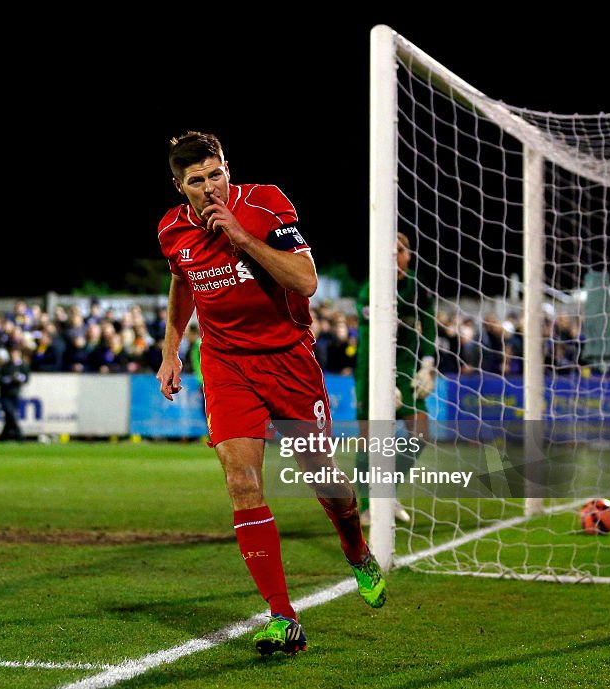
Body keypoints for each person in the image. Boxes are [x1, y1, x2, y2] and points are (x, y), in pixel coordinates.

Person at [156, 131, 385, 658]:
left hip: (287, 359)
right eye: (197, 180)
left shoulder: (264, 204)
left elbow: (306, 282)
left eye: (216, 174)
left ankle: (355, 547)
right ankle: (283, 616)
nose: (210, 186)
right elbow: (182, 283)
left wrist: (241, 238)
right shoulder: (171, 228)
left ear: (227, 169)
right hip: (224, 363)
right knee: (241, 481)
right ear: (179, 186)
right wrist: (171, 351)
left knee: (324, 481)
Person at [354, 232, 437, 525]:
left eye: (399, 251)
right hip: (371, 370)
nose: (395, 257)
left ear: (408, 255)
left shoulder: (417, 286)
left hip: (405, 369)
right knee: (370, 438)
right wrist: (382, 381)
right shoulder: (371, 290)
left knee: (422, 431)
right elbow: (370, 341)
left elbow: (428, 325)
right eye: (389, 252)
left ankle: (386, 491)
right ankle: (366, 505)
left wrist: (428, 365)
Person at [0, 347, 30, 441]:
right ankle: (20, 436)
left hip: (15, 394)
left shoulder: (23, 365)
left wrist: (19, 378)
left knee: (9, 417)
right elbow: (1, 379)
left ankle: (2, 438)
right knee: (10, 414)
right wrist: (10, 378)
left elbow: (26, 378)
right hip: (5, 394)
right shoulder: (6, 366)